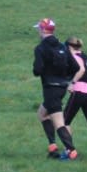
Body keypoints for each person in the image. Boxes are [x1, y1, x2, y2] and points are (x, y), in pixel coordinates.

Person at [31, 18, 77, 160]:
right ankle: (52, 146)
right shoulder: (63, 46)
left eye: (39, 29)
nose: (38, 31)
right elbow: (75, 67)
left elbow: (37, 70)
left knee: (59, 123)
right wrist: (65, 79)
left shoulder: (40, 48)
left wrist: (43, 71)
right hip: (61, 88)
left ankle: (71, 151)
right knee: (42, 114)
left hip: (50, 89)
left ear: (43, 30)